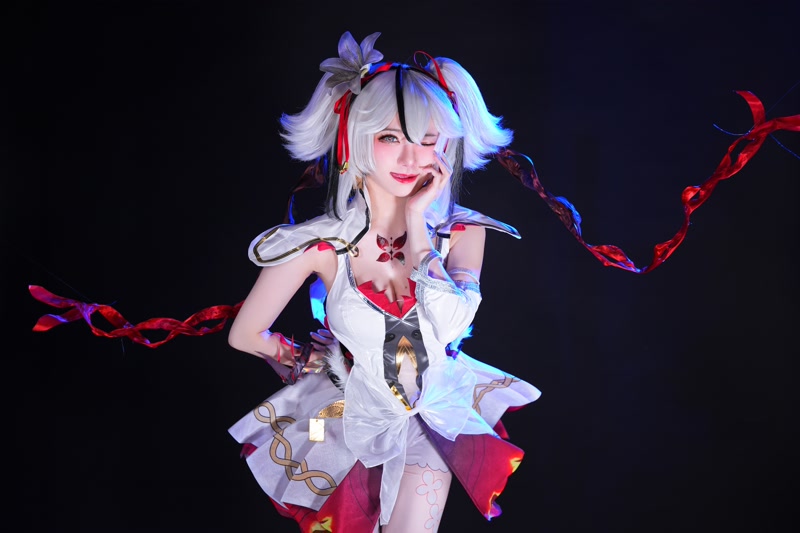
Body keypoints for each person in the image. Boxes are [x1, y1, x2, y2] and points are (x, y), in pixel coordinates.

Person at [225, 30, 541, 532]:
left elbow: (450, 319)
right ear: (355, 140)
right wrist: (307, 362)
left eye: (428, 140)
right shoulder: (320, 245)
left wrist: (417, 221)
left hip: (434, 415)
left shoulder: (462, 232)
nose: (412, 159)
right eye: (391, 138)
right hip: (341, 417)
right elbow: (245, 334)